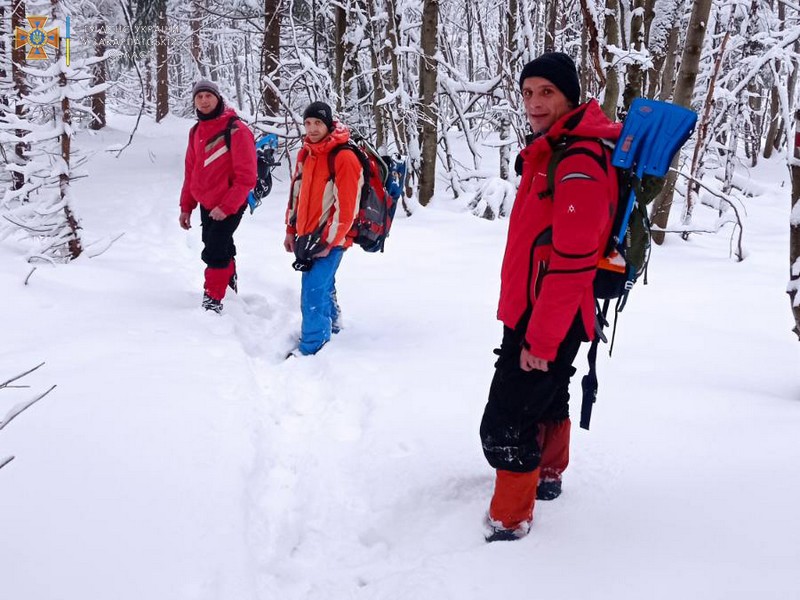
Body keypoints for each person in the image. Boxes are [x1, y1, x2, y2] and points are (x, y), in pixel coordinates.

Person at [479, 52, 622, 542]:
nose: (534, 103)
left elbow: (573, 261)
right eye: (527, 92)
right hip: (542, 309)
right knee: (547, 396)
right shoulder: (556, 149)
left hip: (547, 316)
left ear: (569, 97)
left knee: (505, 423)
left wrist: (540, 338)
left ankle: (510, 519)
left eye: (547, 92)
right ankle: (548, 475)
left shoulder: (578, 160)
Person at [284, 101, 361, 355]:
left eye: (318, 123)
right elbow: (295, 195)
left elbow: (347, 209)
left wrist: (328, 242)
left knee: (312, 292)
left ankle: (312, 348)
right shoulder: (306, 153)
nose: (312, 128)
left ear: (328, 124)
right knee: (323, 285)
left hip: (332, 240)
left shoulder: (344, 157)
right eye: (308, 123)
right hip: (307, 236)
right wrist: (290, 230)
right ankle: (334, 324)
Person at [179, 79, 257, 313]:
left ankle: (212, 299)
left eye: (208, 96)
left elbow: (247, 177)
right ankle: (229, 287)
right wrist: (186, 206)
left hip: (231, 201)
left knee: (215, 249)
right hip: (207, 201)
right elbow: (191, 172)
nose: (204, 101)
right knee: (217, 244)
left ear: (218, 98)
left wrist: (226, 206)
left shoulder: (235, 129)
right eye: (199, 97)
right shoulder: (196, 131)